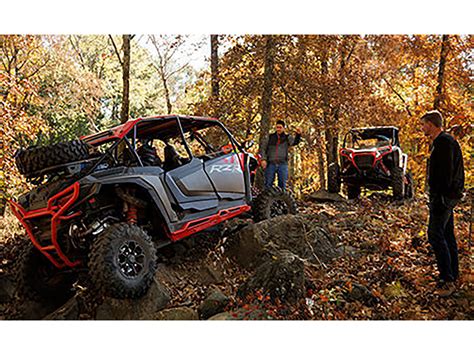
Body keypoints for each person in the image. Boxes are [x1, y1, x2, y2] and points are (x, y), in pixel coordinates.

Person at [421, 110, 465, 297]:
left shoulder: (444, 143)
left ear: (431, 124)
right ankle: (453, 275)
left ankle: (447, 280)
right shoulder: (443, 142)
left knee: (435, 235)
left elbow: (446, 174)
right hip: (445, 197)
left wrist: (440, 198)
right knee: (447, 235)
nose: (422, 127)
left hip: (443, 198)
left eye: (423, 124)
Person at [259, 120, 302, 191]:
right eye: (277, 127)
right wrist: (263, 159)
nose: (278, 129)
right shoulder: (270, 137)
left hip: (282, 164)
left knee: (282, 185)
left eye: (280, 127)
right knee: (268, 184)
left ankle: (281, 201)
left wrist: (298, 135)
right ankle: (267, 201)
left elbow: (295, 142)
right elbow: (263, 148)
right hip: (270, 164)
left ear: (284, 128)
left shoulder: (287, 137)